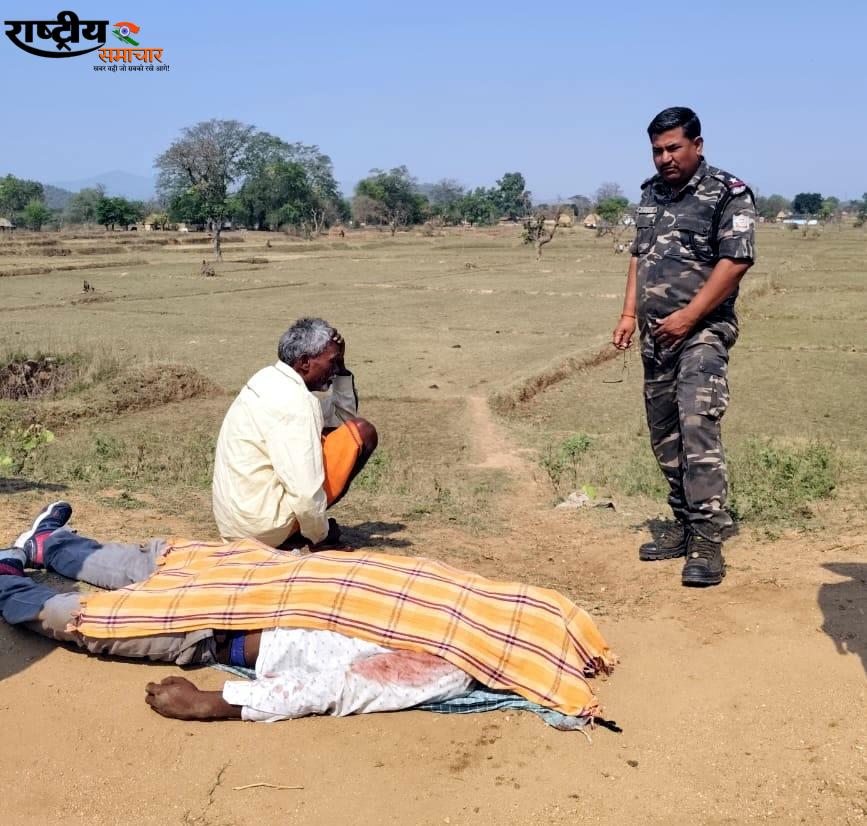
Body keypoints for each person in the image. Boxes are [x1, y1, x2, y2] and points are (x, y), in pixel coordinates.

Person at [0, 502, 615, 722]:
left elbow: (332, 687)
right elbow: (332, 689)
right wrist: (210, 704)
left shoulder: (457, 614)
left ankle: (28, 561)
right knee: (116, 597)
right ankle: (41, 549)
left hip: (240, 603)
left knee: (135, 580)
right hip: (254, 592)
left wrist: (215, 700)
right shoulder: (451, 642)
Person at [612, 107, 756, 587]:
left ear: (697, 144)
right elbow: (640, 256)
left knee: (696, 423)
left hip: (702, 333)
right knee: (665, 434)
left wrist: (690, 317)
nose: (665, 158)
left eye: (673, 147)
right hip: (657, 336)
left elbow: (736, 262)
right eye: (657, 150)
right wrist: (628, 314)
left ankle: (708, 540)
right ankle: (683, 523)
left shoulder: (728, 192)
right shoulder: (651, 193)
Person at [212, 317, 378, 549]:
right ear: (305, 362)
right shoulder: (297, 402)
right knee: (362, 433)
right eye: (332, 362)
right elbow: (305, 489)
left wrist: (342, 369)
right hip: (261, 529)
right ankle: (302, 531)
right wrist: (321, 536)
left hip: (234, 524)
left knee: (341, 433)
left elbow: (341, 420)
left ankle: (299, 527)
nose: (334, 369)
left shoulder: (268, 378)